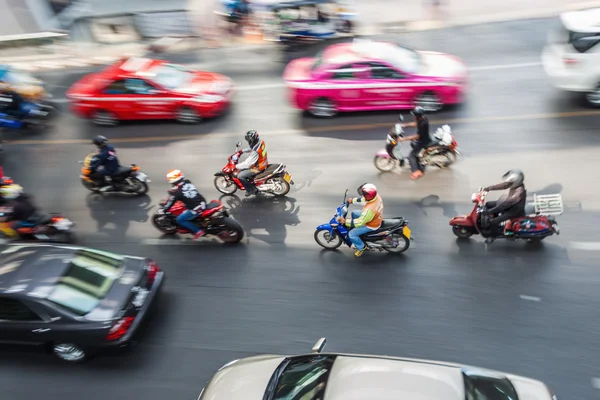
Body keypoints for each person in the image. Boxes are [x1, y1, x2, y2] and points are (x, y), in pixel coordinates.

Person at [336, 183, 384, 257]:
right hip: (374, 217)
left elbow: (360, 222)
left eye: (364, 194)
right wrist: (352, 201)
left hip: (371, 224)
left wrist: (345, 221)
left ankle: (361, 247)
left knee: (351, 234)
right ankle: (358, 234)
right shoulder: (376, 196)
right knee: (354, 213)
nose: (362, 195)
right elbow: (364, 199)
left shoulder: (369, 210)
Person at [483, 169, 527, 243]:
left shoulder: (519, 192)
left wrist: (491, 211)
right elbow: (504, 185)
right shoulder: (516, 185)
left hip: (514, 211)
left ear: (516, 182)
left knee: (494, 221)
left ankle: (493, 236)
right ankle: (494, 219)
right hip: (510, 206)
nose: (508, 184)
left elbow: (505, 204)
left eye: (510, 182)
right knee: (488, 204)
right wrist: (489, 188)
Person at [161, 169, 207, 239]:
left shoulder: (177, 193)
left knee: (180, 220)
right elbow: (183, 190)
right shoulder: (187, 181)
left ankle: (198, 231)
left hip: (196, 209)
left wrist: (163, 210)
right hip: (202, 202)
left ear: (173, 181)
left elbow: (170, 203)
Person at [396, 106, 430, 180]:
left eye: (415, 115)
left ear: (417, 116)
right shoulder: (423, 118)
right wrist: (405, 125)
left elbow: (417, 136)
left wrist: (403, 139)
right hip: (423, 139)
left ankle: (416, 171)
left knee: (411, 156)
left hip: (423, 142)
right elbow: (415, 124)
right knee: (412, 144)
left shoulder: (423, 124)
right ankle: (418, 160)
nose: (414, 116)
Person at [235, 130, 268, 197]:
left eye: (249, 140)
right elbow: (252, 148)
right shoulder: (260, 142)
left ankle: (251, 189)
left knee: (240, 176)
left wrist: (236, 166)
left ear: (251, 139)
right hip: (264, 162)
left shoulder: (255, 152)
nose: (248, 141)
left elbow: (247, 164)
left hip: (257, 168)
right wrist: (242, 151)